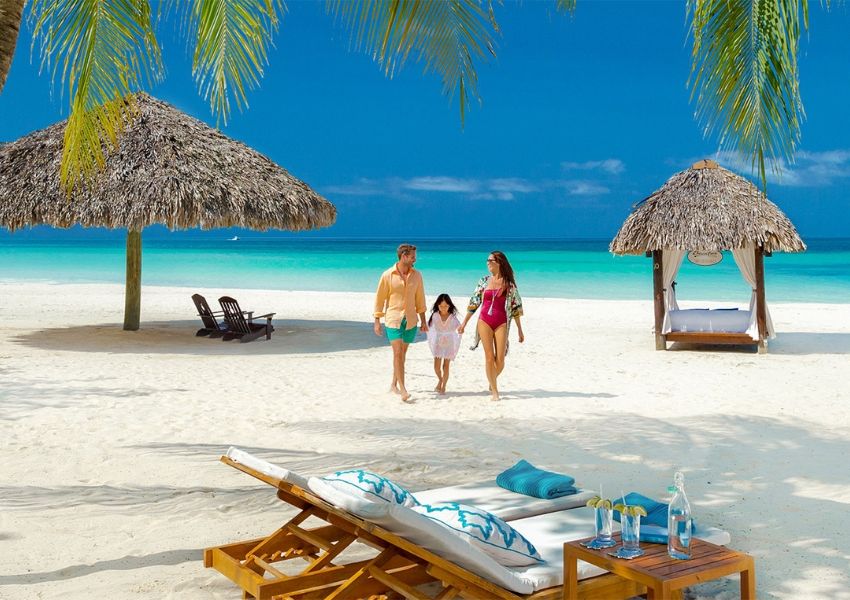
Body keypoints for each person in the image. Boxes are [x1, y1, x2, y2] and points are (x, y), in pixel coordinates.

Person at [458, 251, 524, 401]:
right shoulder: (483, 281)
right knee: (489, 358)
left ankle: (491, 379)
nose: (487, 262)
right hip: (484, 321)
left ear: (499, 262)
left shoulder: (509, 284)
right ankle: (495, 392)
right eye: (487, 260)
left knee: (500, 360)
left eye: (490, 260)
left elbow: (515, 307)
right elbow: (474, 303)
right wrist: (464, 323)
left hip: (501, 322)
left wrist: (520, 330)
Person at [373, 243, 428, 403]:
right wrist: (377, 320)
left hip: (410, 320)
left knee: (402, 355)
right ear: (404, 256)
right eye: (412, 257)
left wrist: (423, 321)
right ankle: (403, 390)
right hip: (393, 319)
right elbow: (380, 299)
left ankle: (394, 384)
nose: (415, 260)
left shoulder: (417, 276)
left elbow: (420, 299)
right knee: (397, 353)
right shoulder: (387, 275)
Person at [426, 293, 462, 395]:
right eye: (441, 306)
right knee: (436, 367)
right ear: (437, 305)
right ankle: (440, 380)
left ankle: (444, 386)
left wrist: (460, 329)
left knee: (446, 366)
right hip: (438, 342)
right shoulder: (435, 315)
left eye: (446, 306)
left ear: (449, 306)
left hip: (449, 343)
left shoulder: (452, 317)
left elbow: (459, 327)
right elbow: (430, 328)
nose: (443, 308)